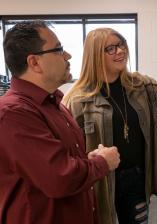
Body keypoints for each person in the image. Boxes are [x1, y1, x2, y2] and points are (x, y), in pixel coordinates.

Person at [62, 27, 157, 224]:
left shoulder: (140, 84)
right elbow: (70, 153)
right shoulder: (77, 100)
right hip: (99, 183)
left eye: (121, 45)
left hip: (135, 178)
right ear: (95, 56)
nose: (120, 51)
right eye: (110, 48)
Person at [0, 20, 120, 224]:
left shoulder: (54, 102)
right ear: (34, 63)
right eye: (59, 50)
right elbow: (59, 178)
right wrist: (102, 163)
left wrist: (87, 159)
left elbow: (57, 162)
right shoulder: (13, 113)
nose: (68, 56)